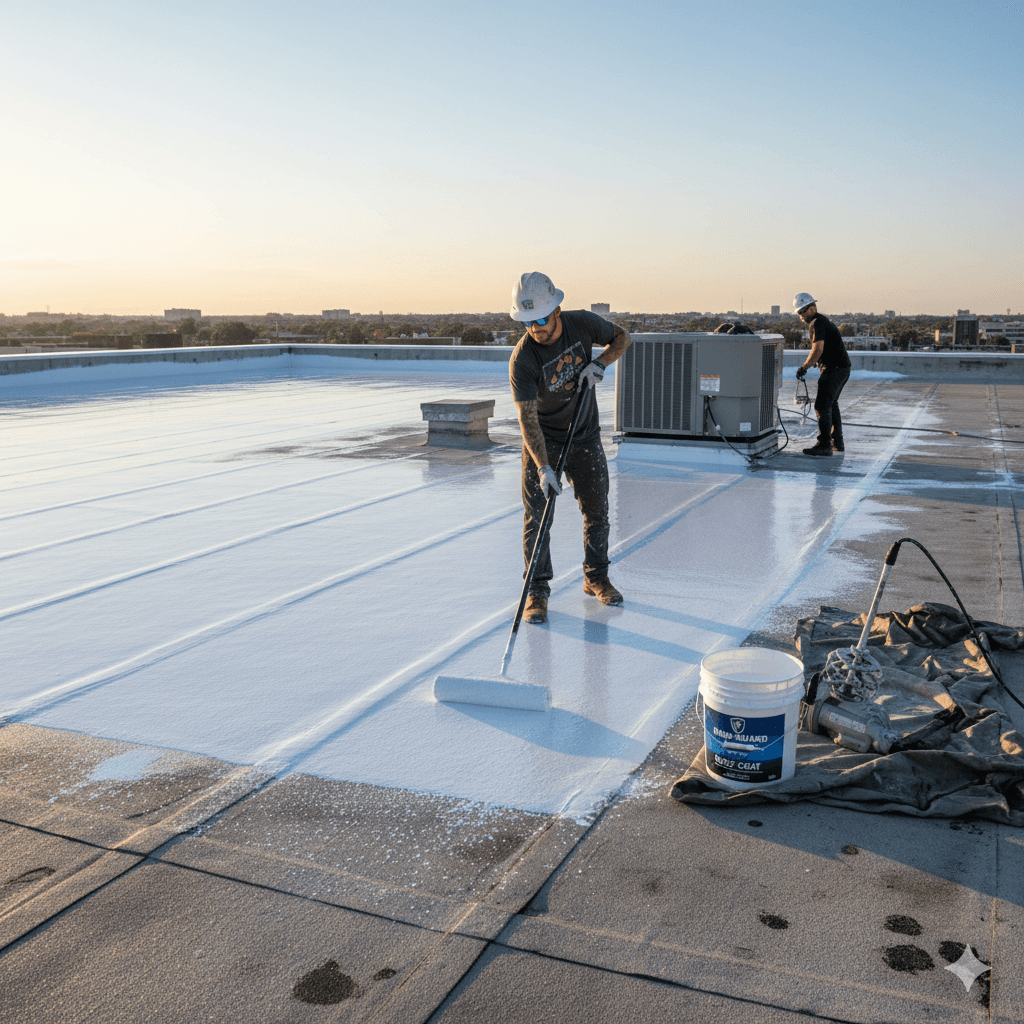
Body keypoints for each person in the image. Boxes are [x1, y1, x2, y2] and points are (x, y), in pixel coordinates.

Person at [508, 272, 632, 624]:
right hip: (542, 441)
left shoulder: (582, 325)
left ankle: (596, 577)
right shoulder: (523, 359)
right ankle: (537, 591)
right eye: (527, 322)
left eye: (542, 319)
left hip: (584, 435)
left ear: (558, 310)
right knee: (537, 519)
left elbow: (623, 337)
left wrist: (600, 363)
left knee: (596, 510)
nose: (536, 328)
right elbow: (527, 420)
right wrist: (544, 467)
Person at [793, 292, 851, 457]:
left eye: (803, 312)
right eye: (799, 313)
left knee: (821, 406)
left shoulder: (817, 323)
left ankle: (824, 444)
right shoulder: (822, 321)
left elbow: (817, 349)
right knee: (832, 404)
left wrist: (805, 366)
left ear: (812, 308)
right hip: (843, 368)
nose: (801, 316)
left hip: (833, 369)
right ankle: (837, 442)